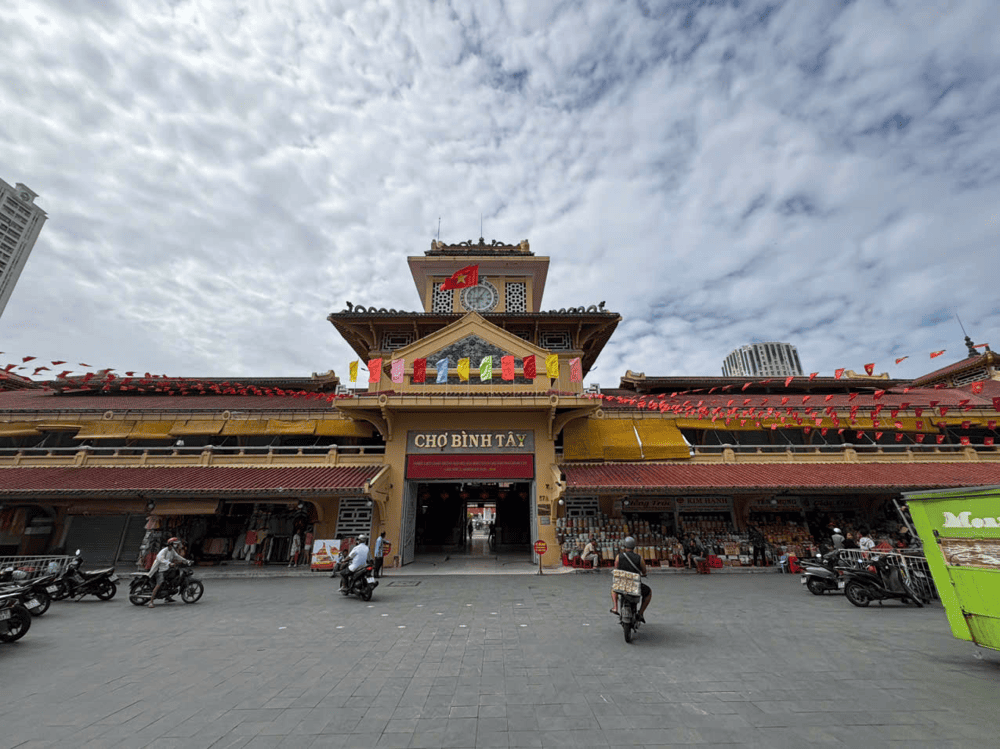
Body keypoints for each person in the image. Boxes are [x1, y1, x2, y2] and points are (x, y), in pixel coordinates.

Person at [609, 537, 651, 623]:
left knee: (614, 588)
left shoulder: (619, 557)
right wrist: (644, 574)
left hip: (622, 584)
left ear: (625, 546)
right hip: (635, 586)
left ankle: (615, 607)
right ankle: (640, 613)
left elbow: (616, 568)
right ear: (634, 546)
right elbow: (644, 571)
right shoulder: (639, 558)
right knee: (648, 592)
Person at [146, 537, 190, 608]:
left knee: (171, 579)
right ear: (171, 544)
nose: (177, 545)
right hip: (159, 570)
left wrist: (186, 561)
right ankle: (151, 601)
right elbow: (160, 559)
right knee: (160, 583)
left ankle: (167, 597)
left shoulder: (172, 550)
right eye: (175, 544)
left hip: (167, 569)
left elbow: (177, 556)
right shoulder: (164, 551)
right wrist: (169, 563)